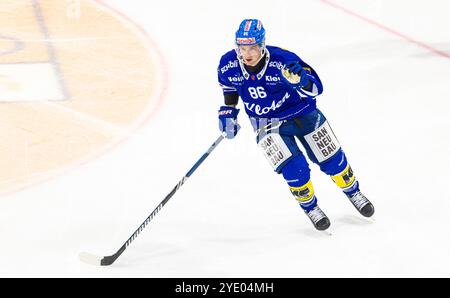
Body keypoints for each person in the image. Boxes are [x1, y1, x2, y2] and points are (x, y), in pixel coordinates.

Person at [217, 19, 374, 231]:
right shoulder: (228, 64)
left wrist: (302, 82)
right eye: (242, 48)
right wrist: (229, 112)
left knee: (332, 159)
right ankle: (310, 207)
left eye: (252, 47)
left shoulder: (283, 60)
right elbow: (229, 86)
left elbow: (316, 89)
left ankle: (353, 191)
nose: (247, 54)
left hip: (303, 113)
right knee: (294, 170)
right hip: (265, 122)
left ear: (262, 45)